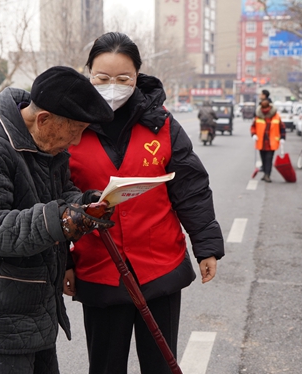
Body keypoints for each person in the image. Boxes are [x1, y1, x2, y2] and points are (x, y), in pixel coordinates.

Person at [65, 32, 225, 374]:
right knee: (106, 367)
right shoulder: (71, 128)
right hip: (99, 266)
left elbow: (191, 188)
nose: (113, 86)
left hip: (159, 266)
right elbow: (54, 201)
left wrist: (206, 246)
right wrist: (62, 262)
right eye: (102, 78)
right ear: (88, 74)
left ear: (137, 77)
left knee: (160, 365)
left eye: (123, 78)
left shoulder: (163, 125)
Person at [0, 66, 115, 374]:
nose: (76, 141)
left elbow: (62, 193)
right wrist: (58, 221)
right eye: (74, 131)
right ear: (43, 119)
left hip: (33, 304)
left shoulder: (45, 141)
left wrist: (85, 206)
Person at [250, 97, 286, 182]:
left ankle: (267, 175)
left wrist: (282, 138)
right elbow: (253, 127)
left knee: (269, 159)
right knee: (263, 159)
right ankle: (265, 173)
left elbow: (282, 127)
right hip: (261, 142)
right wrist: (253, 134)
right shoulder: (258, 116)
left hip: (271, 142)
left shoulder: (276, 116)